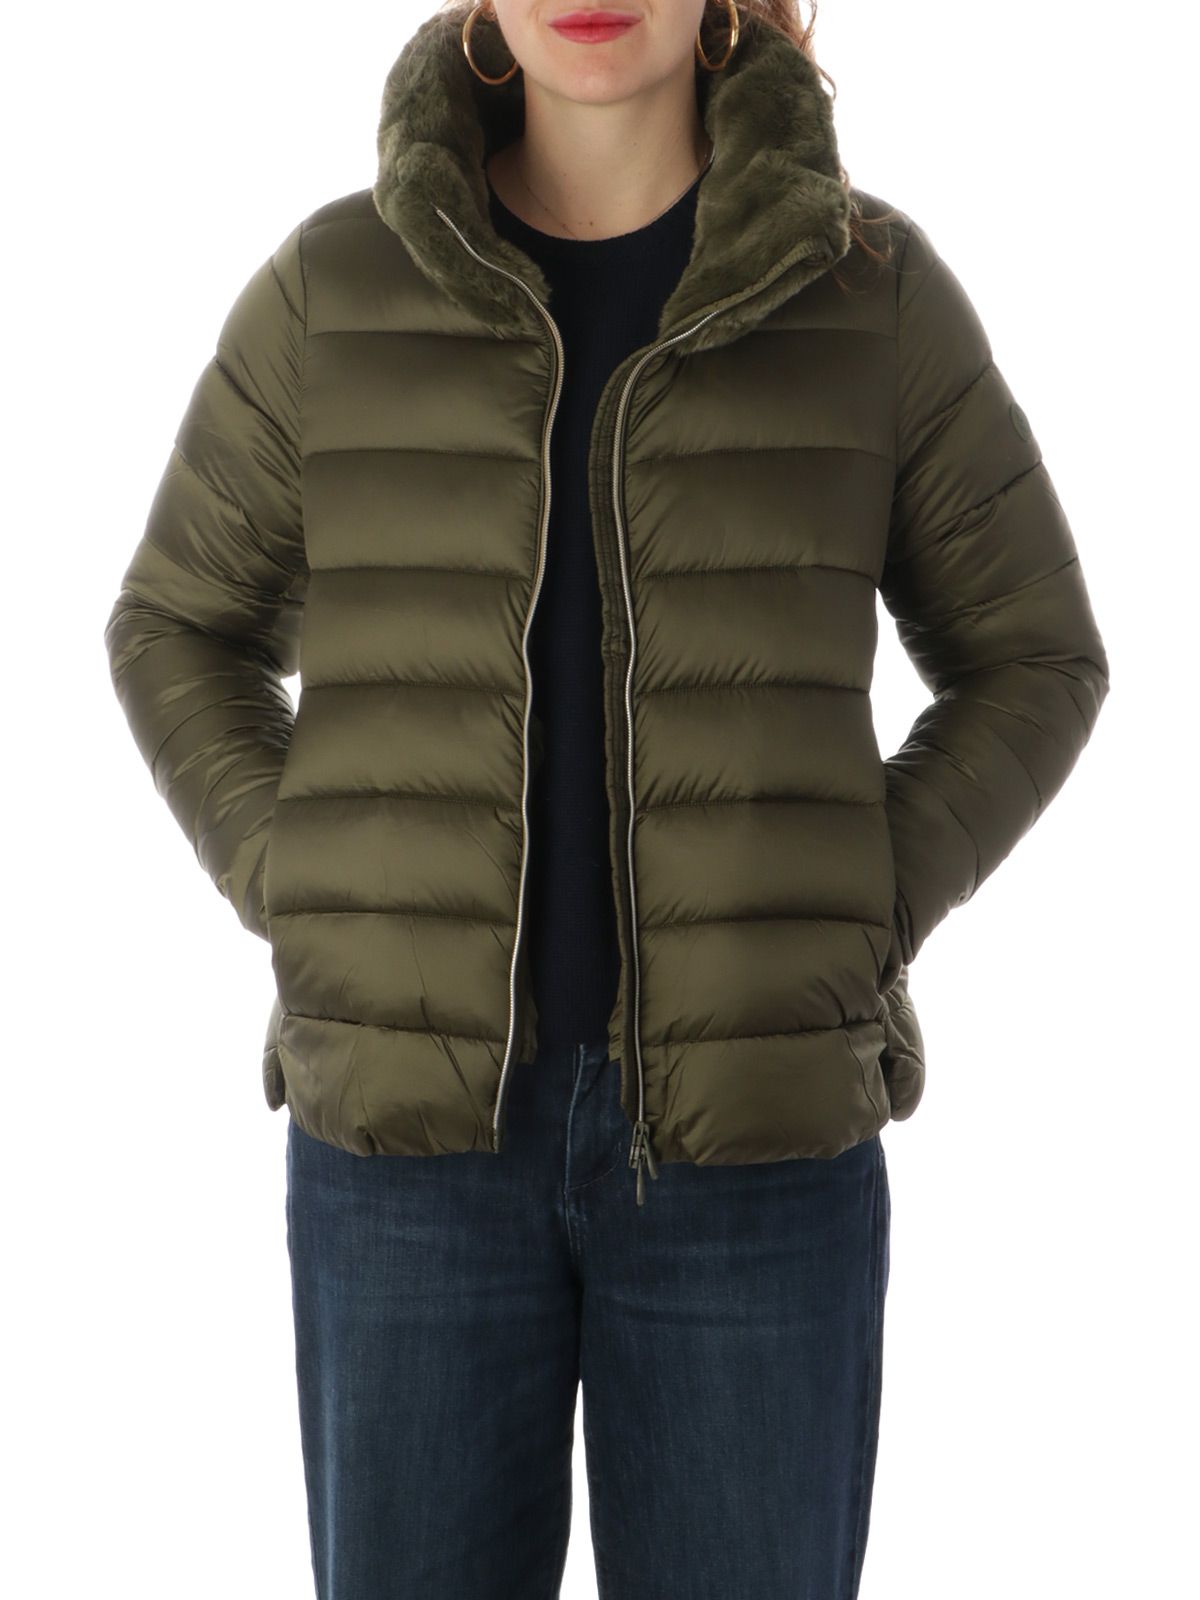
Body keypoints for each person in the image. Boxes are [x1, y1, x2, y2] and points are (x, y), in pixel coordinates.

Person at [102, 0, 1110, 1594]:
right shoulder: (333, 288)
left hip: (753, 1165)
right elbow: (175, 626)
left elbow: (1036, 656)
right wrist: (307, 888)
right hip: (410, 1167)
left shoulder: (868, 292)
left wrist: (854, 907)